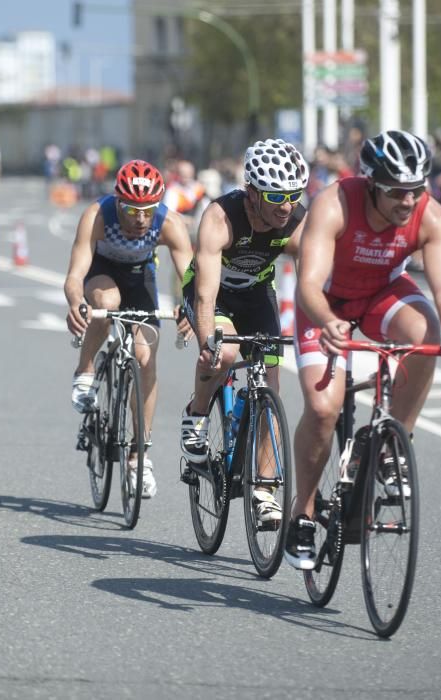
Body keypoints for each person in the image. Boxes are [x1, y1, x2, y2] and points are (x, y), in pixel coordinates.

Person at [285, 129, 441, 569]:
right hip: (327, 303)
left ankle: (394, 444)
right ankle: (302, 512)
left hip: (381, 295)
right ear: (371, 183)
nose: (408, 202)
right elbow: (309, 285)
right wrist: (327, 322)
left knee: (427, 332)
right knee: (322, 409)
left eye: (417, 190)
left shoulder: (430, 217)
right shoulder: (334, 203)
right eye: (396, 191)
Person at [179, 138, 309, 528]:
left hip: (255, 294)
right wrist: (207, 343)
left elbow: (311, 286)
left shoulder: (298, 222)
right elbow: (204, 296)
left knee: (272, 385)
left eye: (293, 195)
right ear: (252, 193)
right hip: (213, 293)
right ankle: (197, 414)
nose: (286, 206)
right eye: (274, 196)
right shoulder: (221, 218)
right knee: (226, 355)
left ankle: (264, 491)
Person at [64, 159, 194, 498]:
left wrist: (191, 307)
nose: (139, 219)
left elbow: (192, 279)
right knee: (106, 303)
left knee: (145, 356)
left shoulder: (170, 222)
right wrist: (77, 303)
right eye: (131, 209)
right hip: (102, 272)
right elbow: (76, 275)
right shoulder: (97, 215)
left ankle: (140, 457)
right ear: (117, 201)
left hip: (140, 277)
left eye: (147, 210)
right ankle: (86, 369)